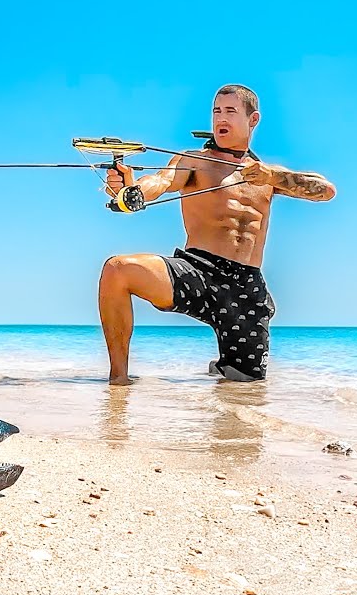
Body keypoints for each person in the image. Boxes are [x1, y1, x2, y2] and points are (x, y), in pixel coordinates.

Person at [97, 84, 336, 385]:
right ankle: (119, 380)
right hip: (197, 269)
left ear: (253, 120)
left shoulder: (266, 174)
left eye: (230, 111)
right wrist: (132, 193)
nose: (221, 118)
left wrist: (272, 177)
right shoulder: (193, 161)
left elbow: (325, 191)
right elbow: (161, 180)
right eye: (216, 111)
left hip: (246, 287)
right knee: (118, 270)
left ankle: (220, 370)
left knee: (245, 386)